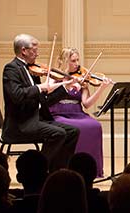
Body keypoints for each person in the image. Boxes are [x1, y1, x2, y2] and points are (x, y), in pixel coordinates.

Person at [2, 34, 80, 172]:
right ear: (24, 51)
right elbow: (17, 95)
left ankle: (57, 171)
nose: (37, 54)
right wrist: (40, 87)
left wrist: (64, 88)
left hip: (36, 118)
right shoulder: (11, 69)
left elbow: (45, 101)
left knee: (73, 131)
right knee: (58, 133)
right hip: (21, 124)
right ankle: (37, 171)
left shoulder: (33, 70)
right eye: (34, 50)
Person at [46, 47, 111, 177]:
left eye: (77, 60)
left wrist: (101, 88)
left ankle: (89, 170)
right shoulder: (54, 77)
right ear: (65, 62)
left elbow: (86, 104)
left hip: (77, 113)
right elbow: (47, 91)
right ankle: (69, 168)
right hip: (58, 114)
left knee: (94, 126)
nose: (77, 64)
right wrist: (67, 83)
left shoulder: (82, 78)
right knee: (74, 128)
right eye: (73, 61)